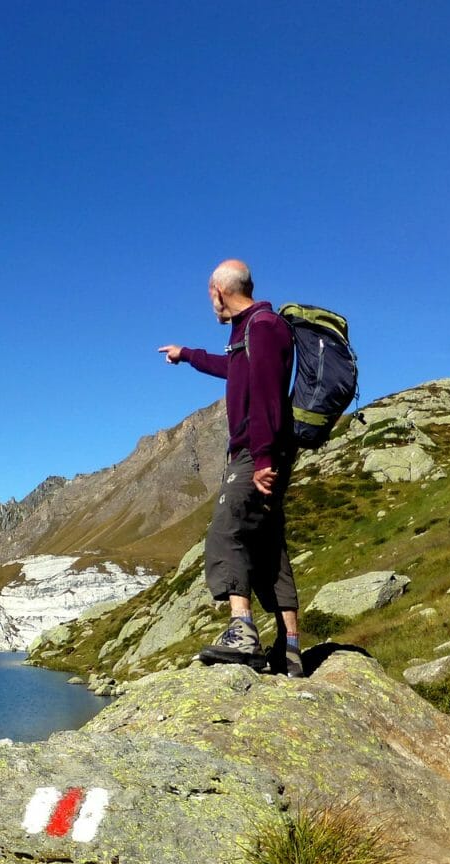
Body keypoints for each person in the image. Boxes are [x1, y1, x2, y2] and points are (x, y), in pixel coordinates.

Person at [157, 259, 304, 677]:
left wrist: (261, 460)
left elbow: (267, 398)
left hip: (255, 454)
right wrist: (186, 355)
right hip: (264, 452)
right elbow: (231, 370)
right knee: (267, 546)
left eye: (209, 296)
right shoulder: (250, 332)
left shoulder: (262, 328)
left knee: (226, 532)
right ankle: (289, 649)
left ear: (218, 291)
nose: (211, 304)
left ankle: (242, 633)